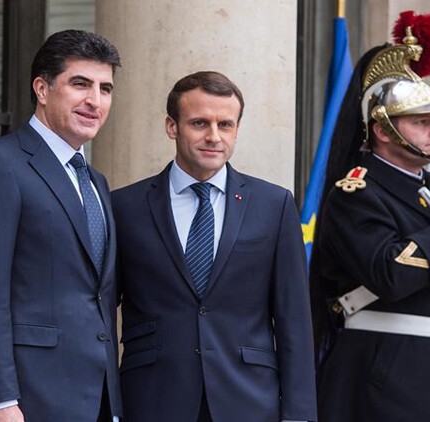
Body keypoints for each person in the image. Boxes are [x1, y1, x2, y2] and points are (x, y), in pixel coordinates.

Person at [112, 71, 317, 422]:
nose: (213, 136)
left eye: (225, 124)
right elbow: (100, 310)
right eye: (199, 123)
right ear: (171, 126)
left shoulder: (274, 204)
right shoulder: (124, 206)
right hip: (151, 399)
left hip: (249, 400)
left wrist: (299, 414)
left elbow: (294, 320)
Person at [311, 14, 430, 422]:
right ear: (383, 130)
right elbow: (391, 273)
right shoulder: (356, 194)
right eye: (422, 122)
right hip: (386, 379)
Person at [0, 30, 122, 422]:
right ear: (42, 89)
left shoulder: (96, 182)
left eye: (105, 88)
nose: (94, 100)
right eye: (80, 84)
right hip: (24, 401)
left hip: (96, 403)